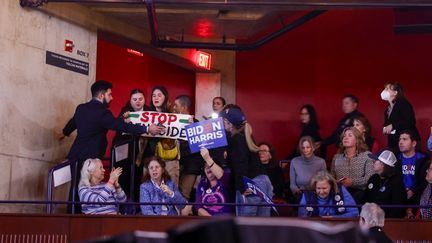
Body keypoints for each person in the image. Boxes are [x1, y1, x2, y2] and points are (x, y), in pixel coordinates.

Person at [62, 80, 164, 213]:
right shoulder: (102, 113)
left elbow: (72, 123)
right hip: (90, 159)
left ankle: (72, 217)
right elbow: (121, 125)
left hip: (74, 156)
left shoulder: (81, 108)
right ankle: (83, 219)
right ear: (101, 96)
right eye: (110, 95)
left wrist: (64, 133)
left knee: (75, 189)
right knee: (88, 190)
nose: (112, 98)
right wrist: (146, 128)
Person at [220, 106, 273, 216]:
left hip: (250, 184)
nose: (222, 123)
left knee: (246, 225)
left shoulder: (237, 139)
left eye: (223, 120)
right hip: (264, 181)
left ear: (229, 123)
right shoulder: (245, 135)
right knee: (262, 226)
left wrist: (241, 186)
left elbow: (240, 165)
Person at [112, 89, 150, 211]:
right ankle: (123, 207)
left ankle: (140, 208)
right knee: (125, 179)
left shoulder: (150, 111)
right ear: (130, 100)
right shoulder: (125, 112)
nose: (138, 102)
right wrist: (124, 121)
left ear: (144, 100)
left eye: (140, 99)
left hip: (144, 154)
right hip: (126, 154)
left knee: (141, 180)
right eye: (135, 99)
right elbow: (118, 128)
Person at [330, 127, 374, 204]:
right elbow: (332, 177)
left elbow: (370, 178)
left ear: (357, 140)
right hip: (340, 194)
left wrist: (352, 182)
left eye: (350, 135)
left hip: (361, 194)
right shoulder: (336, 158)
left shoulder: (367, 156)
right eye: (344, 136)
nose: (346, 138)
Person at [173, 95, 204, 202]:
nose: (174, 108)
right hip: (177, 164)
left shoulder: (196, 124)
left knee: (184, 195)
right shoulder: (174, 123)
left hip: (191, 167)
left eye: (176, 105)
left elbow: (197, 147)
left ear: (184, 107)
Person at [364, 150, 406, 218]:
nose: (373, 162)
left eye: (375, 160)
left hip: (389, 222)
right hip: (370, 220)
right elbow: (365, 200)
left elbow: (398, 209)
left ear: (383, 164)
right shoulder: (373, 178)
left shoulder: (396, 182)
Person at [397, 130, 429, 218]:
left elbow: (424, 180)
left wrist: (412, 190)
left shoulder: (423, 160)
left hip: (417, 195)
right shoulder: (396, 159)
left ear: (414, 143)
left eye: (404, 139)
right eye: (399, 139)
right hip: (400, 194)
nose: (401, 142)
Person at [380, 82, 420, 152]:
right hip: (394, 143)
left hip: (408, 143)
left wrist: (393, 126)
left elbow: (410, 121)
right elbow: (387, 124)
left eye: (387, 89)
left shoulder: (403, 103)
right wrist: (385, 128)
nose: (384, 91)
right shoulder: (388, 109)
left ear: (395, 92)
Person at [195, 147, 234, 216]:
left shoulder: (225, 179)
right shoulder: (202, 184)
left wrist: (208, 158)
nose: (207, 168)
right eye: (205, 166)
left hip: (225, 221)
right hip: (208, 221)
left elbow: (222, 175)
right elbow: (199, 208)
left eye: (210, 166)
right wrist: (212, 221)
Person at [289, 136, 326, 202]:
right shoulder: (294, 161)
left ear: (313, 148)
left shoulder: (321, 162)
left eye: (308, 147)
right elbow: (292, 185)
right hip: (300, 195)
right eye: (303, 148)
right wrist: (297, 191)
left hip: (316, 195)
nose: (305, 150)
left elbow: (323, 183)